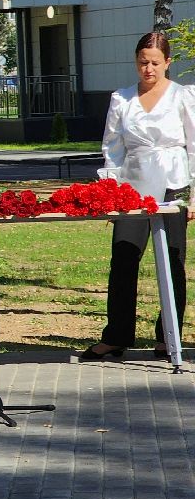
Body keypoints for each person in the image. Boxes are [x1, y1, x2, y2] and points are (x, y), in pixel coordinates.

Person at [82, 31, 195, 361]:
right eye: (143, 63)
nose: (149, 69)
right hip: (132, 188)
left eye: (155, 63)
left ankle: (167, 336)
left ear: (167, 63)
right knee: (124, 258)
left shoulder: (183, 97)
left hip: (175, 185)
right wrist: (111, 189)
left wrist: (193, 195)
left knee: (172, 261)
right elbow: (112, 150)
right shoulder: (122, 99)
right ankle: (117, 336)